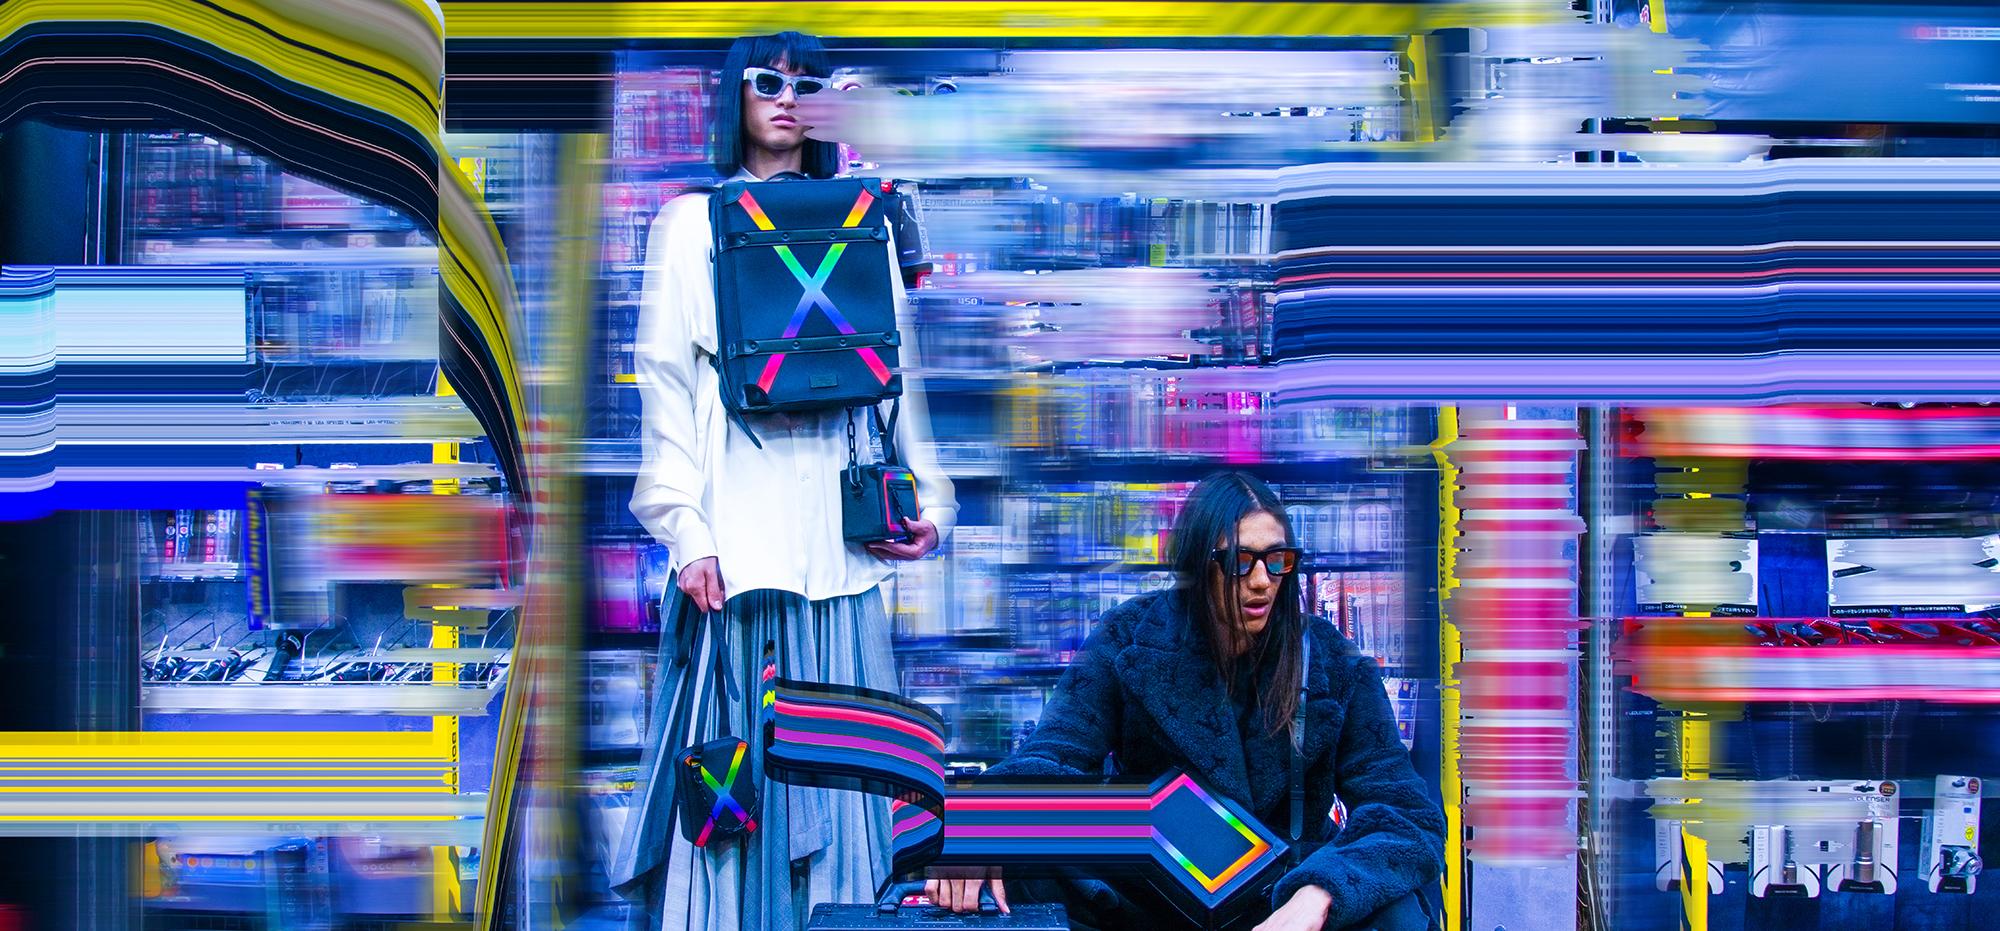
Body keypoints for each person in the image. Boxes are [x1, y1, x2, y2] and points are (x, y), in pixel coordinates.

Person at [611, 31, 958, 931]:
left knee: (848, 786)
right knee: (738, 790)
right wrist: (685, 531)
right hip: (739, 562)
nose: (787, 97)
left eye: (807, 83)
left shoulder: (866, 217)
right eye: (767, 81)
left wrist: (931, 502)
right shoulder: (690, 224)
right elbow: (665, 383)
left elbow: (896, 372)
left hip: (841, 561)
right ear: (736, 94)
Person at [928, 472, 1442, 931]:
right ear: (1198, 564)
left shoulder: (1330, 660)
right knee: (1017, 861)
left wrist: (1321, 892)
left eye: (1277, 560)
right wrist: (981, 824)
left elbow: (1405, 812)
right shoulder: (1130, 638)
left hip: (1287, 893)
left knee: (1394, 896)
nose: (1262, 581)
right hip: (1159, 891)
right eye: (1239, 562)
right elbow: (1054, 754)